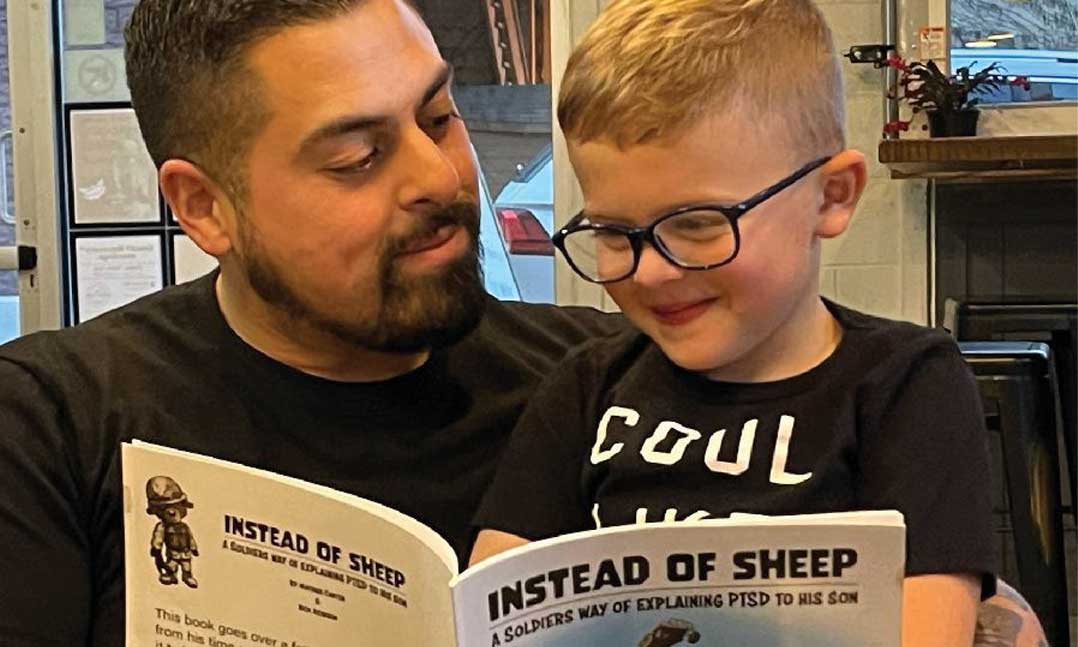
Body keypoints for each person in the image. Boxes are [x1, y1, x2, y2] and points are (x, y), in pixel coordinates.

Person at [0, 1, 624, 645]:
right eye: (357, 157)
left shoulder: (609, 384)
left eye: (438, 119)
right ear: (205, 206)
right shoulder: (49, 427)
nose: (440, 178)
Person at [469, 1, 1049, 646]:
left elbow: (931, 625)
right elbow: (496, 597)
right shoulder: (585, 387)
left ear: (831, 196)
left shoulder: (906, 386)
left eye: (697, 224)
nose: (653, 272)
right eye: (612, 232)